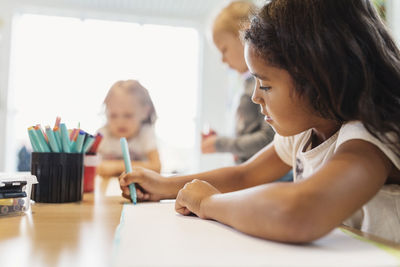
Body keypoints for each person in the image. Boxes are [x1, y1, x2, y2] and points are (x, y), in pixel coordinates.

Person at [119, 0, 400, 243]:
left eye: (265, 85)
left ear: (318, 78)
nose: (255, 97)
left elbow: (300, 211)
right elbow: (245, 175)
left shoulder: (370, 137)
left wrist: (208, 203)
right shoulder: (305, 133)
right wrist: (165, 185)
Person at [202, 1, 276, 165]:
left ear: (245, 35)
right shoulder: (244, 84)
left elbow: (268, 139)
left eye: (224, 49)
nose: (222, 60)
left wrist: (219, 144)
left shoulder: (265, 82)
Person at [96, 80, 161, 177]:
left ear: (145, 112)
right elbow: (94, 166)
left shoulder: (145, 134)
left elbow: (156, 167)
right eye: (113, 115)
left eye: (128, 115)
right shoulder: (102, 135)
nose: (120, 122)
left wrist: (117, 167)